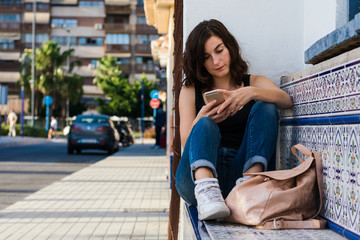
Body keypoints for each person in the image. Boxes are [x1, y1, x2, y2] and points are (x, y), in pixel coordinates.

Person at [175, 19, 293, 221]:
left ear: (230, 46)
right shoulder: (189, 91)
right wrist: (200, 119)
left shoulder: (253, 82)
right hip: (196, 182)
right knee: (204, 123)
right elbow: (186, 145)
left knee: (266, 105)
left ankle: (250, 186)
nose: (216, 61)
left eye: (219, 50)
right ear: (199, 62)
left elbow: (286, 101)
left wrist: (251, 92)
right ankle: (208, 194)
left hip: (239, 173)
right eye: (206, 57)